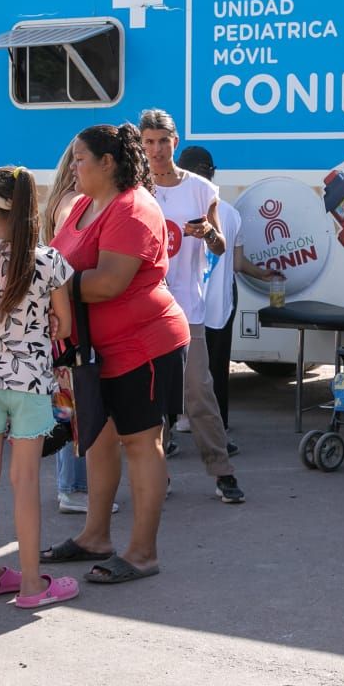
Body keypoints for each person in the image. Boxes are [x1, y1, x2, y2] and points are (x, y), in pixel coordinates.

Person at [41, 123, 190, 584]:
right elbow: (56, 258)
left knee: (141, 444)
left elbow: (108, 282)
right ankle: (95, 537)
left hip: (142, 345)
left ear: (108, 162)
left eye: (81, 159)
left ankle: (143, 553)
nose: (73, 167)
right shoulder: (84, 204)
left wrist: (49, 287)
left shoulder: (134, 207)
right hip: (94, 351)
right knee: (100, 440)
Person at [0, 167, 80, 609]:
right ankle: (32, 583)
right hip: (30, 381)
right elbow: (64, 325)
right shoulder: (49, 260)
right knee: (26, 480)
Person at [138, 110, 245, 504]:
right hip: (145, 308)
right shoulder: (135, 190)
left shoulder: (200, 189)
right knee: (151, 398)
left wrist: (211, 234)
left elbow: (218, 248)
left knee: (199, 392)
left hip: (188, 308)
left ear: (175, 141)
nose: (156, 150)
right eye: (148, 142)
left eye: (162, 141)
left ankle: (222, 472)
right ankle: (156, 475)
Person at [176, 145, 283, 445]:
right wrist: (264, 273)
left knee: (181, 365)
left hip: (184, 303)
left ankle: (180, 420)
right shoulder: (231, 214)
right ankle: (218, 423)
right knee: (216, 367)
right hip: (221, 304)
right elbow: (236, 263)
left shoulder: (175, 209)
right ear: (212, 174)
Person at [42, 142, 91, 514]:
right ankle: (72, 487)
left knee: (68, 398)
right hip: (72, 318)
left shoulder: (62, 198)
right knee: (74, 401)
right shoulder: (76, 203)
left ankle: (73, 485)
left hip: (62, 317)